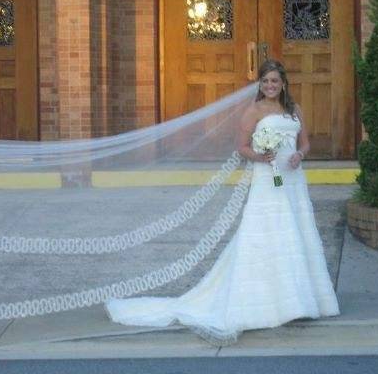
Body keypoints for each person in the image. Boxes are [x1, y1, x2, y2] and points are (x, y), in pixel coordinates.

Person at [104, 59, 341, 345]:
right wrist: (259, 156)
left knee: (297, 231)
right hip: (268, 179)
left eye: (275, 81)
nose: (270, 86)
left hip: (291, 179)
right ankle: (269, 301)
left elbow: (305, 142)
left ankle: (300, 300)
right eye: (265, 81)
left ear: (283, 83)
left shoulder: (294, 109)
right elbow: (241, 147)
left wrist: (299, 155)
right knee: (268, 233)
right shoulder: (252, 111)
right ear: (260, 84)